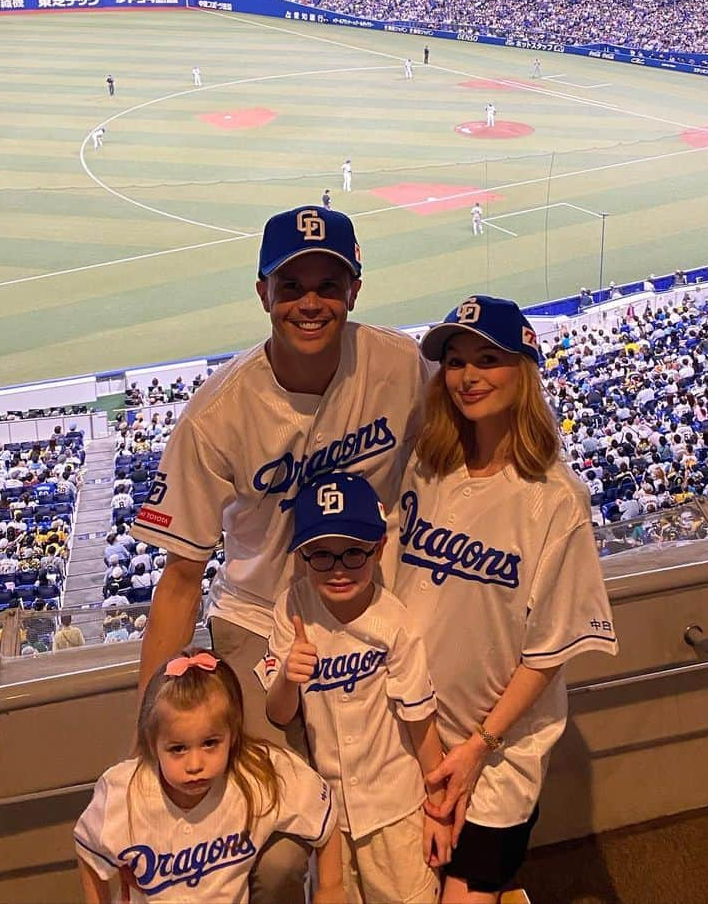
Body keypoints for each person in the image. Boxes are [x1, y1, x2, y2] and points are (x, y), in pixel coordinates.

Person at [132, 205, 428, 904]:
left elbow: (469, 429)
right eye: (292, 285)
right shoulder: (219, 412)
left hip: (367, 606)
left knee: (392, 812)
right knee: (275, 851)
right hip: (262, 624)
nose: (311, 302)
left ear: (355, 289)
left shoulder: (399, 365)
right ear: (262, 292)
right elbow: (180, 579)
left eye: (330, 283)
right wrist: (148, 739)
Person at [394, 296, 618, 904]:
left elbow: (547, 654)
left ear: (524, 369)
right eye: (457, 361)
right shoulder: (423, 467)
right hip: (407, 734)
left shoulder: (554, 497)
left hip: (496, 755)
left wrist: (473, 752)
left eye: (488, 359)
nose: (468, 377)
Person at [263, 474, 445, 904]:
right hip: (331, 812)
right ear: (302, 554)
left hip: (395, 805)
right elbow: (278, 714)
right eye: (321, 555)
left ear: (379, 548)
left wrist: (438, 809)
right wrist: (289, 675)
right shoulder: (292, 608)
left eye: (353, 553)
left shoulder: (395, 621)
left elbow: (420, 721)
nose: (339, 568)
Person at [75, 650, 342, 904]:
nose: (195, 764)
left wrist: (332, 887)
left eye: (210, 743)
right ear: (152, 744)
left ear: (232, 734)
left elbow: (323, 812)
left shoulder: (258, 773)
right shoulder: (124, 792)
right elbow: (89, 850)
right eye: (178, 749)